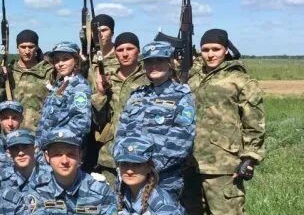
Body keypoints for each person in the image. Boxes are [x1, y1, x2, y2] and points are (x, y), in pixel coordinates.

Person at [182, 29, 265, 215]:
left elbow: (255, 121)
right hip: (191, 160)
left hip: (224, 161)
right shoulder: (192, 77)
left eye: (215, 49)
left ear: (226, 49)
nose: (210, 54)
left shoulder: (239, 79)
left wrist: (250, 157)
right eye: (205, 50)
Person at [117, 41, 195, 198]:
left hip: (163, 177)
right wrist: (124, 163)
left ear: (170, 63)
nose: (154, 65)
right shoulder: (136, 95)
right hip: (131, 173)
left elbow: (182, 138)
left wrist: (149, 168)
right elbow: (121, 132)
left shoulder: (182, 96)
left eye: (159, 60)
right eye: (149, 62)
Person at [91, 28, 146, 184]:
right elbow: (98, 120)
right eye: (120, 50)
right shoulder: (107, 79)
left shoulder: (148, 79)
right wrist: (101, 94)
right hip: (110, 155)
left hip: (140, 155)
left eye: (130, 49)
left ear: (138, 51)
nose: (125, 54)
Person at [36, 41, 92, 149]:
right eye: (56, 60)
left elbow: (82, 123)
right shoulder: (59, 84)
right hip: (45, 148)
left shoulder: (79, 87)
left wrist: (57, 142)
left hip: (63, 150)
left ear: (76, 60)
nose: (60, 64)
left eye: (65, 59)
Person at [6, 30, 52, 132]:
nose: (27, 51)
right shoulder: (9, 72)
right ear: (17, 48)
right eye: (23, 47)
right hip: (14, 132)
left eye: (31, 47)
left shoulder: (49, 71)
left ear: (36, 47)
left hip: (40, 132)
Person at [0, 100, 23, 171]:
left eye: (14, 118)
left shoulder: (31, 145)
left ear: (21, 119)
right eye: (6, 118)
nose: (10, 123)